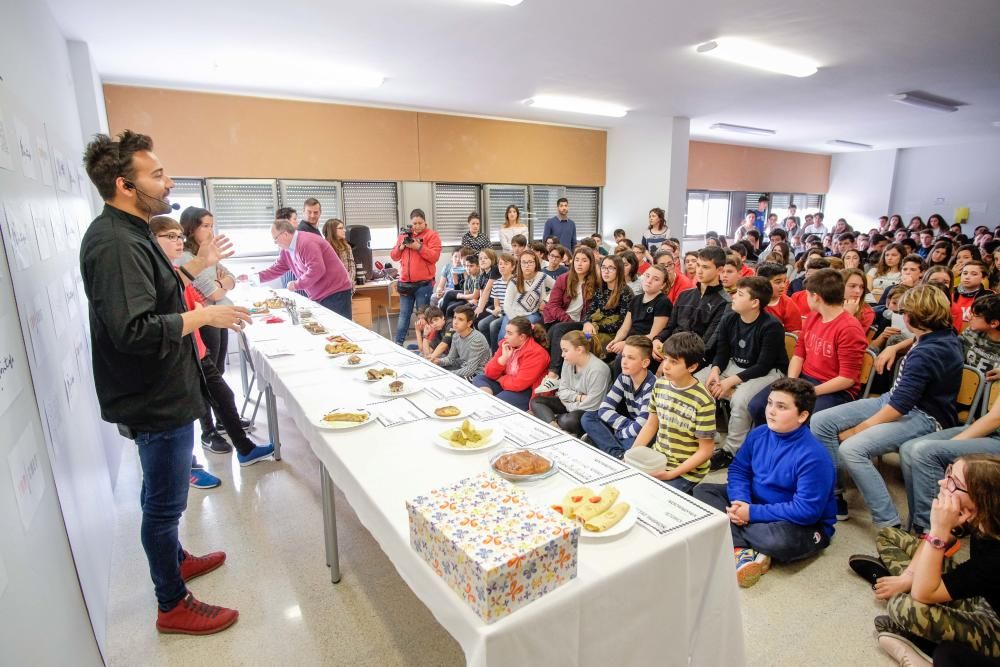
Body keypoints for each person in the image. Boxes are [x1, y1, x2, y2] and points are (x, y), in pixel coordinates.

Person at [80, 130, 245, 634]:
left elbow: (158, 294)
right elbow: (134, 330)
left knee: (162, 495)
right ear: (125, 184)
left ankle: (174, 558)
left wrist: (198, 266)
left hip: (163, 388)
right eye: (156, 174)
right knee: (164, 503)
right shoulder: (113, 243)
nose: (168, 180)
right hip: (152, 397)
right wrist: (206, 315)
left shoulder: (131, 233)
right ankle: (171, 602)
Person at [812, 285, 963, 528]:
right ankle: (834, 493)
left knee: (852, 448)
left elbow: (900, 407)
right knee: (821, 421)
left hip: (925, 415)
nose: (903, 316)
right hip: (896, 400)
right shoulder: (942, 333)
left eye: (906, 312)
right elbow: (914, 345)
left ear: (915, 317)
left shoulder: (929, 353)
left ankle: (888, 523)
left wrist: (858, 429)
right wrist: (895, 346)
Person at [850, 455, 1000, 666]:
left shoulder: (994, 560)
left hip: (994, 623)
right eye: (948, 472)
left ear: (980, 500)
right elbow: (945, 542)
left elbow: (923, 592)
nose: (942, 482)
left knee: (904, 607)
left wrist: (939, 528)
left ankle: (921, 646)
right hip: (979, 590)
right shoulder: (980, 516)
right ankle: (901, 583)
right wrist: (908, 578)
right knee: (889, 536)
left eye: (953, 483)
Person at [152, 216, 275, 467]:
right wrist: (206, 301)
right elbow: (209, 295)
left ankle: (242, 448)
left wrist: (208, 295)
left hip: (197, 348)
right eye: (170, 237)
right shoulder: (163, 274)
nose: (178, 242)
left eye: (179, 236)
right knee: (207, 400)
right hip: (186, 352)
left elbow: (205, 293)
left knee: (222, 394)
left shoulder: (175, 271)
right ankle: (206, 453)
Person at [694, 378, 837, 588]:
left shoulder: (814, 456)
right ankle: (743, 549)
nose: (770, 411)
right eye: (770, 403)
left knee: (777, 542)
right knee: (702, 492)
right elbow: (738, 470)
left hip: (799, 523)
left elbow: (806, 511)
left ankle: (732, 535)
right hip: (754, 502)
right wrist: (740, 501)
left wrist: (750, 514)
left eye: (781, 407)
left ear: (802, 415)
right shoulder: (759, 433)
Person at [747, 268, 868, 434]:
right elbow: (799, 354)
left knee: (801, 418)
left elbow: (846, 379)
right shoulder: (814, 316)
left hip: (835, 390)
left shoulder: (849, 328)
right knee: (757, 405)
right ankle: (769, 445)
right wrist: (790, 383)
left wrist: (809, 392)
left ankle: (792, 454)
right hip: (805, 380)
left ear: (816, 296)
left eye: (807, 294)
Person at [701, 277, 788, 469]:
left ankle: (731, 451)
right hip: (735, 366)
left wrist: (729, 382)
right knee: (698, 383)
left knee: (740, 399)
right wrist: (715, 370)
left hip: (768, 372)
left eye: (740, 294)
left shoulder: (771, 326)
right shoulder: (729, 318)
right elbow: (722, 352)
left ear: (755, 302)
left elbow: (763, 365)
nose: (733, 297)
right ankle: (705, 435)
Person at [176, 207, 238, 452]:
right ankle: (208, 430)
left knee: (218, 371)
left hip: (219, 317)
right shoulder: (187, 258)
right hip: (205, 320)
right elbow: (211, 293)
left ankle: (222, 421)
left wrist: (221, 282)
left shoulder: (208, 253)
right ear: (191, 228)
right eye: (205, 226)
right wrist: (221, 284)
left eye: (212, 225)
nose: (210, 231)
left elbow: (230, 277)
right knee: (207, 378)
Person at [629, 332, 716, 493]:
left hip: (687, 471)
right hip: (658, 458)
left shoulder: (703, 400)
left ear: (692, 367)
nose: (666, 366)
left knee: (654, 497)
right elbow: (650, 425)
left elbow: (706, 450)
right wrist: (631, 455)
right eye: (666, 358)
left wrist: (671, 474)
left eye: (674, 362)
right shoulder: (660, 384)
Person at [257, 219, 354, 319]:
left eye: (275, 239)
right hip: (320, 294)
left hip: (335, 291)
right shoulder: (286, 250)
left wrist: (296, 285)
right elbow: (276, 269)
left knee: (339, 329)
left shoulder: (306, 242)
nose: (275, 243)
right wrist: (253, 278)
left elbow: (317, 270)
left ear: (285, 234)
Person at [581, 336, 657, 460]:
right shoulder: (624, 377)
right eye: (623, 356)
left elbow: (643, 425)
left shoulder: (652, 385)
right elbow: (604, 409)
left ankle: (604, 444)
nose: (624, 361)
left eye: (631, 358)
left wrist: (620, 432)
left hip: (645, 433)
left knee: (633, 444)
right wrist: (625, 427)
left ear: (645, 363)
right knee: (588, 417)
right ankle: (618, 454)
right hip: (630, 425)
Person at [653, 246, 730, 367]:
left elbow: (707, 344)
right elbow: (670, 326)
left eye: (705, 267)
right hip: (669, 349)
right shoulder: (685, 295)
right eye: (698, 265)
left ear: (720, 270)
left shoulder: (725, 303)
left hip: (693, 359)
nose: (699, 270)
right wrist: (657, 340)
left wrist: (670, 358)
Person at [529, 330, 610, 436]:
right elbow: (562, 390)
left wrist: (567, 404)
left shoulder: (598, 369)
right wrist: (578, 397)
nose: (562, 355)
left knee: (570, 420)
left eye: (565, 350)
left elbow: (593, 405)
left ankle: (556, 420)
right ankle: (555, 426)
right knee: (536, 401)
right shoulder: (568, 362)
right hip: (574, 403)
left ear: (579, 350)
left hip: (588, 412)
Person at [605, 264, 672, 375]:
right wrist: (616, 341)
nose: (649, 281)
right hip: (630, 342)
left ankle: (621, 391)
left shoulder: (663, 302)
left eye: (655, 279)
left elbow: (653, 335)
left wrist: (626, 344)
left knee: (620, 362)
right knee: (604, 356)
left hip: (645, 346)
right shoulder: (636, 299)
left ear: (663, 285)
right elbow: (625, 328)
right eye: (647, 276)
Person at [472, 316, 550, 410]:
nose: (505, 336)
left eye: (509, 333)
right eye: (506, 332)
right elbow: (488, 372)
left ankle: (491, 402)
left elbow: (519, 384)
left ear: (522, 337)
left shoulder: (537, 354)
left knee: (501, 400)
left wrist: (500, 379)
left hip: (526, 391)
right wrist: (503, 359)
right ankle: (489, 401)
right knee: (479, 378)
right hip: (508, 384)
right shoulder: (506, 344)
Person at [389, 209, 443, 345]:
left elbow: (434, 257)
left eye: (420, 223)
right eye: (414, 223)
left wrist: (418, 247)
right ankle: (398, 344)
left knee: (423, 317)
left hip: (423, 285)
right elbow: (394, 256)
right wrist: (401, 247)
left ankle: (427, 346)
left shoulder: (432, 236)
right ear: (411, 223)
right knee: (404, 315)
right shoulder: (404, 236)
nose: (417, 226)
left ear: (425, 222)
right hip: (405, 284)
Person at [500, 250, 553, 337]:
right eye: (524, 262)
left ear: (535, 263)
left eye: (530, 262)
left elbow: (557, 287)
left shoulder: (542, 276)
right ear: (520, 264)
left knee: (523, 329)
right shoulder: (514, 281)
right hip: (514, 313)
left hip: (532, 313)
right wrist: (515, 320)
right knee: (504, 335)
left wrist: (546, 300)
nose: (527, 265)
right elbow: (507, 305)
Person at [436, 305, 491, 380]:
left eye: (460, 319)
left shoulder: (477, 339)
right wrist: (438, 361)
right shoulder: (455, 335)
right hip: (463, 366)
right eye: (455, 317)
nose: (455, 322)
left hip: (478, 374)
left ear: (469, 323)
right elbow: (451, 359)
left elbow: (470, 370)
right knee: (437, 367)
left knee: (444, 378)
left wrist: (448, 374)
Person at [478, 252, 514, 351]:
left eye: (506, 264)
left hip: (510, 314)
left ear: (512, 267)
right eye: (500, 264)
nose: (502, 266)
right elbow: (496, 301)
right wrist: (497, 307)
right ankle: (490, 348)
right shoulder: (497, 282)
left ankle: (495, 353)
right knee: (482, 324)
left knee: (493, 325)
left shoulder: (515, 281)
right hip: (500, 313)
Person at [757, 262, 803, 332]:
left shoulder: (788, 304)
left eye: (784, 281)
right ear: (762, 282)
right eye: (778, 282)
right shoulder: (750, 298)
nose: (783, 286)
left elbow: (793, 336)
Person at [439, 252, 483, 318]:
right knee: (449, 295)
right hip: (469, 299)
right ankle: (442, 319)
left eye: (471, 266)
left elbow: (475, 296)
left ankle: (444, 320)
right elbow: (466, 293)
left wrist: (460, 296)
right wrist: (466, 298)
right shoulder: (469, 276)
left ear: (478, 267)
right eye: (467, 266)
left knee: (451, 309)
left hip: (477, 301)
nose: (468, 268)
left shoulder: (479, 277)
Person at [952, 261, 990, 333]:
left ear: (983, 278)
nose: (967, 277)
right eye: (965, 273)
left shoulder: (989, 296)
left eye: (974, 274)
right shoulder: (950, 292)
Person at [323, 218, 355, 288]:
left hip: (347, 286)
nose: (344, 230)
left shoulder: (346, 246)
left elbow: (351, 265)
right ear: (332, 230)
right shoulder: (324, 247)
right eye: (340, 228)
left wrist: (349, 281)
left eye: (343, 228)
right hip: (331, 288)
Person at [843, 267, 877, 332]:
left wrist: (848, 315)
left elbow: (851, 338)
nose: (858, 291)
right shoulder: (828, 304)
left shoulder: (867, 312)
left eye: (862, 287)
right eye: (852, 286)